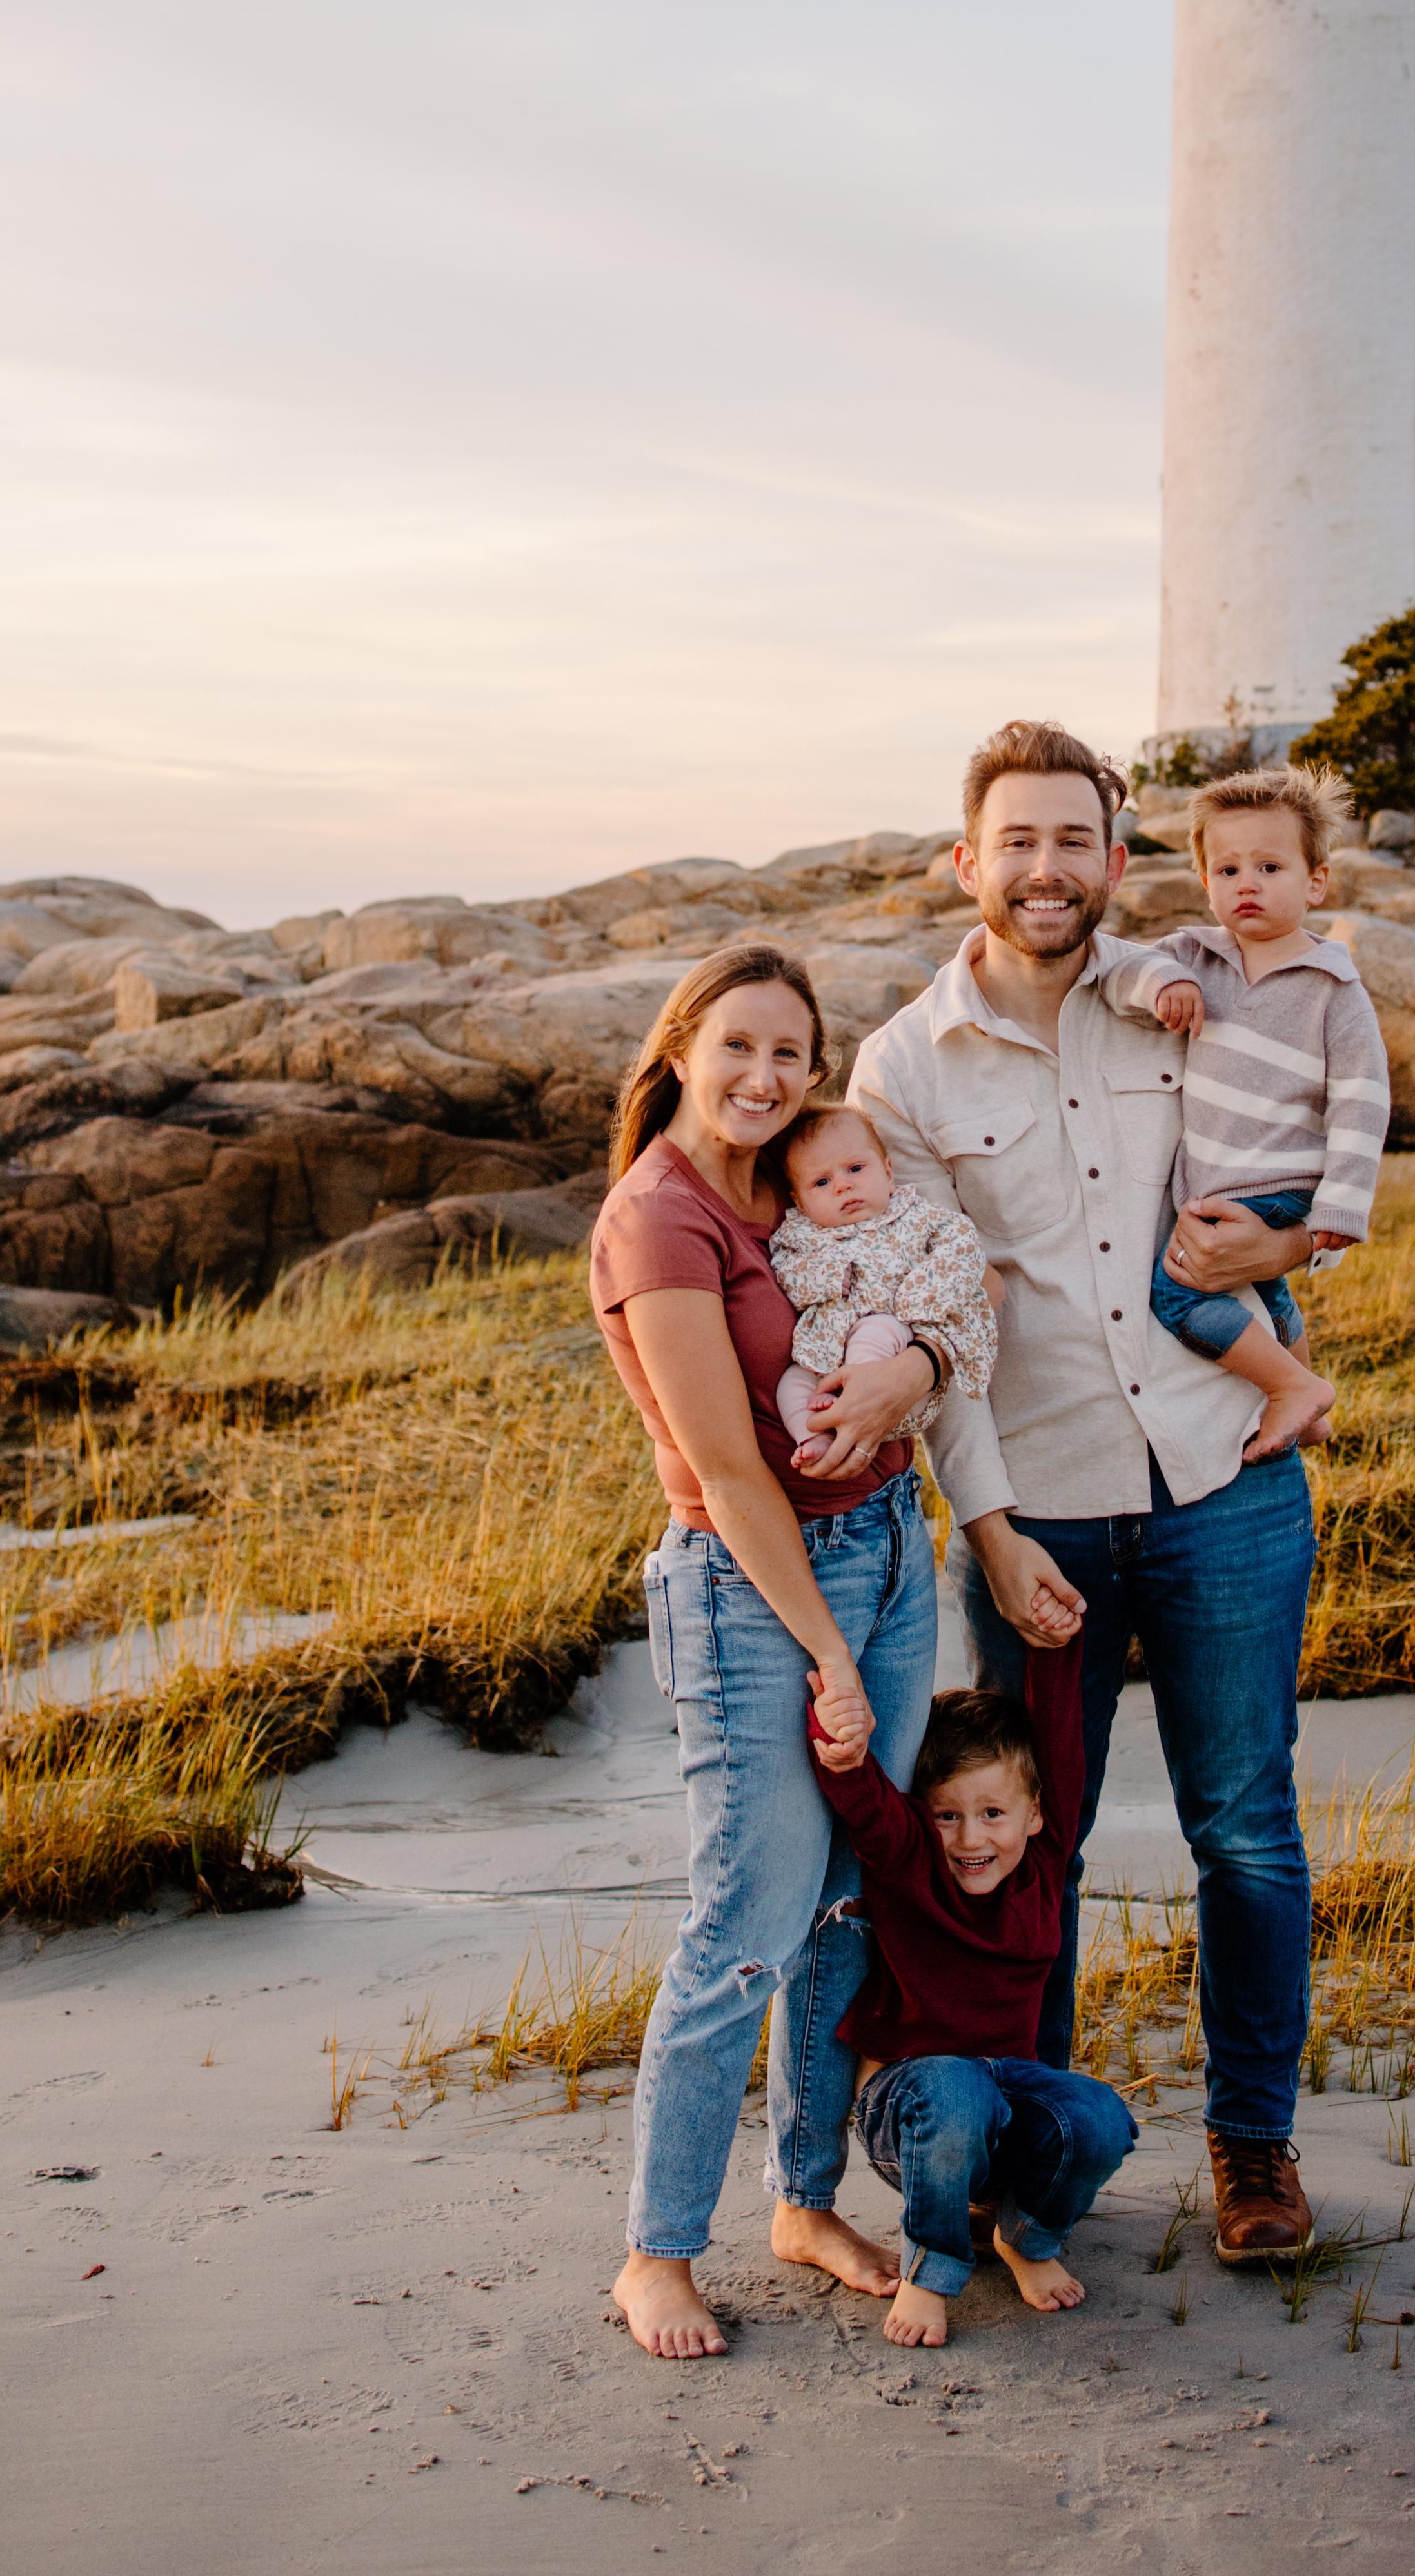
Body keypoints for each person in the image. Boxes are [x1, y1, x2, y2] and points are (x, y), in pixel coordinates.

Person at [844, 719, 1333, 2266]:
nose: (1047, 870)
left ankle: (1254, 2151)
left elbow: (1309, 1138)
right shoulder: (903, 1067)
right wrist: (986, 1529)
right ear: (966, 859)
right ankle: (1028, 2147)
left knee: (1245, 1829)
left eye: (1076, 841)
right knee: (1028, 1841)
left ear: (1116, 860)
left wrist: (1292, 1238)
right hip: (1038, 1501)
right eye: (1019, 841)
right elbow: (927, 1315)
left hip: (1223, 1474)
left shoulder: (1190, 1001)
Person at [588, 944, 962, 2360]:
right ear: (681, 1046)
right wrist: (833, 1654)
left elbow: (908, 1300)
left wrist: (918, 1374)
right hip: (757, 1596)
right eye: (737, 1047)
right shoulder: (659, 1220)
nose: (763, 1077)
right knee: (747, 1924)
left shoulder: (790, 1181)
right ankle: (655, 2253)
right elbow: (728, 1472)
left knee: (850, 1903)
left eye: (790, 1055)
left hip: (886, 1547)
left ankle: (802, 2200)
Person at [808, 1634, 1138, 2349]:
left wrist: (1057, 1644)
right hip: (913, 2109)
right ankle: (934, 2267)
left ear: (1036, 1815)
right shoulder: (910, 1861)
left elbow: (1059, 1738)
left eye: (993, 1814)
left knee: (1099, 2117)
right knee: (957, 2089)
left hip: (1006, 2097)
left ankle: (1025, 2235)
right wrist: (834, 1734)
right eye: (948, 1814)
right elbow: (860, 1796)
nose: (969, 1838)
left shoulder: (1044, 1865)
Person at [1108, 763, 1390, 1464]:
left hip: (1281, 1180)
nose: (1248, 884)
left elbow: (1362, 1103)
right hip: (1218, 1175)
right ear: (1206, 884)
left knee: (1175, 1294)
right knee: (1261, 1286)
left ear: (1315, 881)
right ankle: (1309, 1400)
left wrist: (1340, 1210)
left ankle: (1289, 1386)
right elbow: (1120, 974)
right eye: (1228, 870)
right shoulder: (1194, 956)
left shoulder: (1334, 988)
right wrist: (1165, 981)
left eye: (1269, 866)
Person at [766, 1103, 999, 1453]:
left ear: (889, 1173)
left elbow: (961, 1246)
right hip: (827, 1356)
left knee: (877, 1330)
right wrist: (830, 1277)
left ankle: (861, 1403)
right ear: (800, 1202)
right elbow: (787, 1270)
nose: (843, 1186)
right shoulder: (800, 1236)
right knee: (791, 1384)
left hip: (899, 1358)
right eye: (822, 1182)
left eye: (856, 1169)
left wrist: (919, 1296)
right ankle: (815, 1438)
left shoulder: (917, 1216)